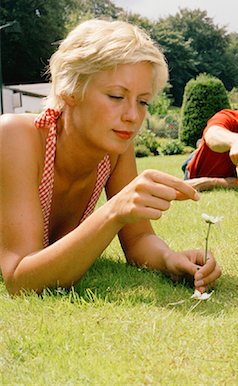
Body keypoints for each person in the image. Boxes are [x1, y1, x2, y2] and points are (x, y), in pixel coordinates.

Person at [0, 19, 221, 296]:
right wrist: (114, 211)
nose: (133, 116)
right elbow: (20, 282)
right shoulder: (15, 136)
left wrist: (169, 259)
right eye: (116, 96)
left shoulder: (114, 149)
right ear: (69, 90)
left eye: (142, 101)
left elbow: (139, 238)